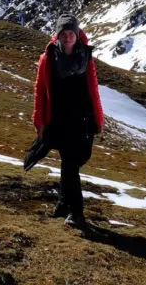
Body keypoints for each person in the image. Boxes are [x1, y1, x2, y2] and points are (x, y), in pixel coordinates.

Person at [31, 13, 104, 229]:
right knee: (70, 164)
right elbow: (40, 90)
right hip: (60, 120)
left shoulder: (85, 56)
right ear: (58, 35)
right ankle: (75, 212)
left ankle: (66, 205)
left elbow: (94, 89)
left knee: (74, 162)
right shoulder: (48, 58)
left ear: (77, 34)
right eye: (64, 33)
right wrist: (40, 120)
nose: (67, 37)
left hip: (83, 119)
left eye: (71, 33)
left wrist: (98, 118)